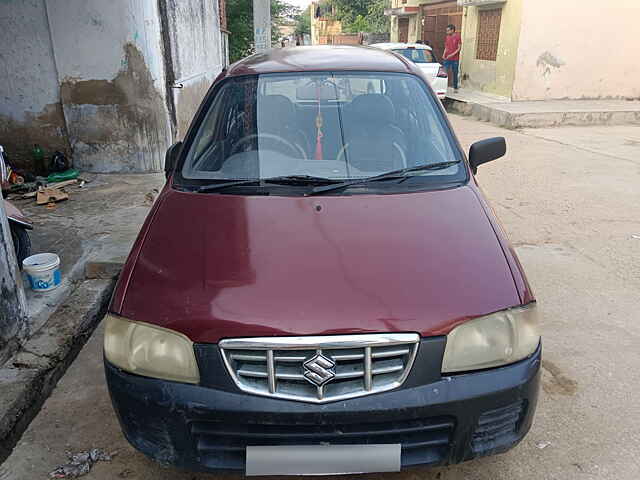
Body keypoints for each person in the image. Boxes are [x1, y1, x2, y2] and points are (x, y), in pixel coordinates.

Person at [443, 24, 462, 92]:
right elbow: (446, 47)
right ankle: (443, 86)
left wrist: (451, 55)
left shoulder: (458, 37)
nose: (447, 32)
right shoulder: (447, 37)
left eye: (448, 30)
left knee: (455, 73)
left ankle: (455, 87)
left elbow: (459, 48)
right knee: (444, 72)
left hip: (455, 59)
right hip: (447, 58)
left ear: (452, 30)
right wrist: (444, 54)